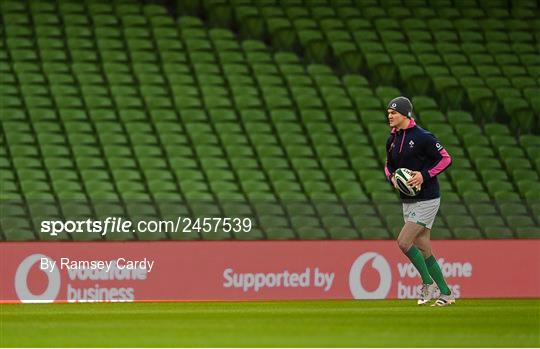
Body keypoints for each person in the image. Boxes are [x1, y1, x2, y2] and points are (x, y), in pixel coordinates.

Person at [384, 96, 455, 306]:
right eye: (388, 112)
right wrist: (392, 179)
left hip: (427, 198)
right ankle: (446, 293)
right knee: (424, 248)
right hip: (408, 200)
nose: (390, 116)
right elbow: (388, 166)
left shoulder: (423, 137)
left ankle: (427, 283)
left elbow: (446, 158)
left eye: (393, 112)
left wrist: (425, 175)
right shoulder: (392, 140)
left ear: (405, 114)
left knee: (404, 242)